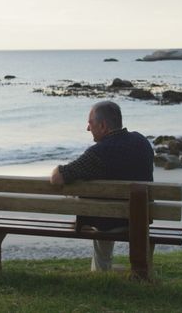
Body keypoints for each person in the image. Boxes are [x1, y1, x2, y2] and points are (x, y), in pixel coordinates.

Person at [50, 101, 154, 271]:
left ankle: (101, 271)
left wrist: (57, 169)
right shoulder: (142, 142)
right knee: (106, 206)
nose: (87, 128)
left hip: (107, 221)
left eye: (90, 123)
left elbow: (57, 178)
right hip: (141, 216)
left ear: (103, 125)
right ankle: (144, 271)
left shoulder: (98, 153)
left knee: (101, 212)